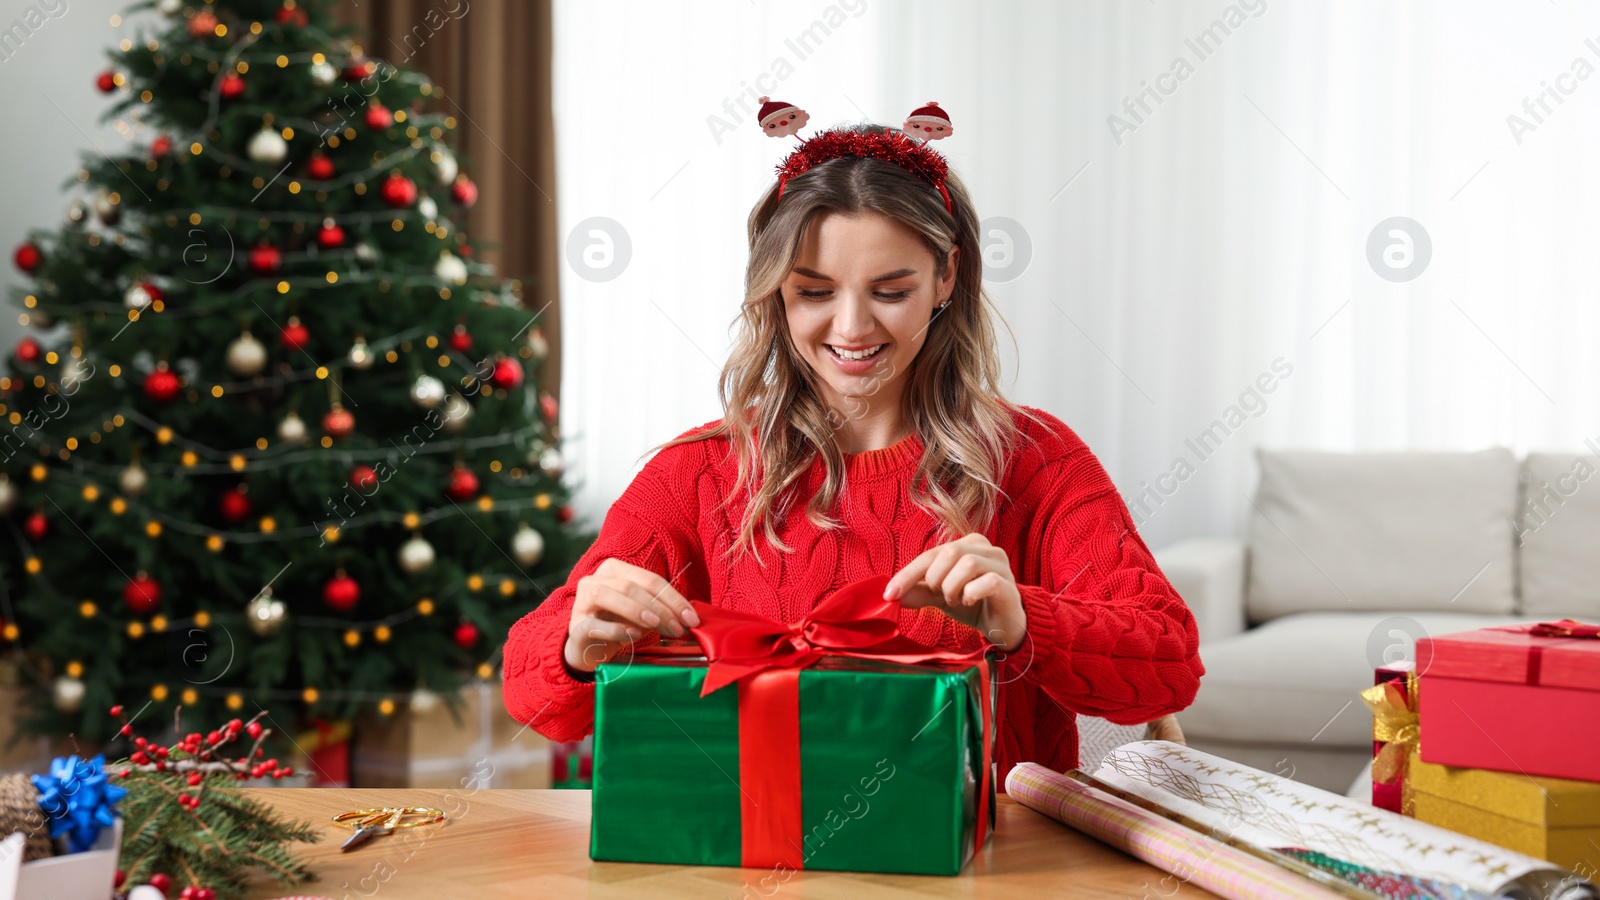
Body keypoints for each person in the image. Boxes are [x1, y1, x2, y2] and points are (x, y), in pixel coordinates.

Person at [503, 110, 1204, 788]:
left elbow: (1170, 665)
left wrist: (1027, 622)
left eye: (890, 290)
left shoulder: (1036, 460)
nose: (851, 326)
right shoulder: (695, 474)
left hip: (990, 868)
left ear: (946, 278)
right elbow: (535, 703)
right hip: (755, 862)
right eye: (813, 291)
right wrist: (577, 646)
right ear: (775, 291)